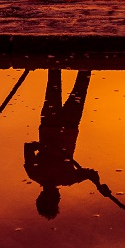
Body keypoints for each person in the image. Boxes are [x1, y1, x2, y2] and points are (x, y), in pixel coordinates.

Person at [24, 68, 99, 219]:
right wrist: (99, 186)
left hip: (51, 122)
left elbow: (28, 147)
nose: (58, 198)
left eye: (55, 201)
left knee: (55, 81)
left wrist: (46, 146)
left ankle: (58, 50)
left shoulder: (36, 173)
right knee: (81, 82)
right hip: (69, 125)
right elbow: (91, 173)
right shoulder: (67, 178)